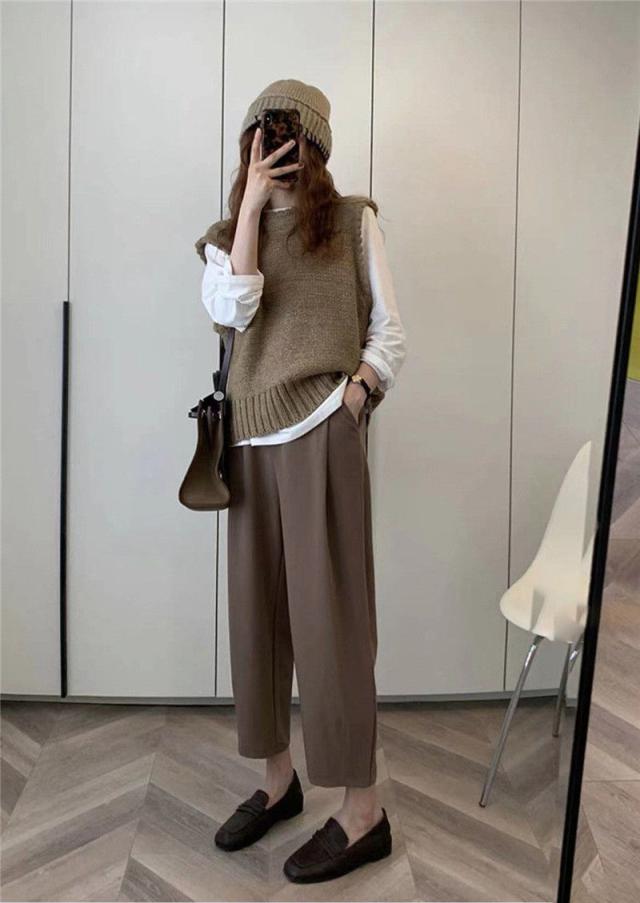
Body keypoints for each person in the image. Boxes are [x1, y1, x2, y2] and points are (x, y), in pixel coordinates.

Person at [194, 79, 406, 884]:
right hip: (250, 441)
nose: (270, 149)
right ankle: (278, 781)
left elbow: (390, 330)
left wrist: (358, 395)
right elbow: (233, 312)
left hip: (322, 433)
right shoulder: (226, 237)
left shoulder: (352, 221)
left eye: (282, 138)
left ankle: (363, 811)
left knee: (334, 622)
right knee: (256, 619)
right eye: (258, 137)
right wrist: (251, 207)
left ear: (311, 146)